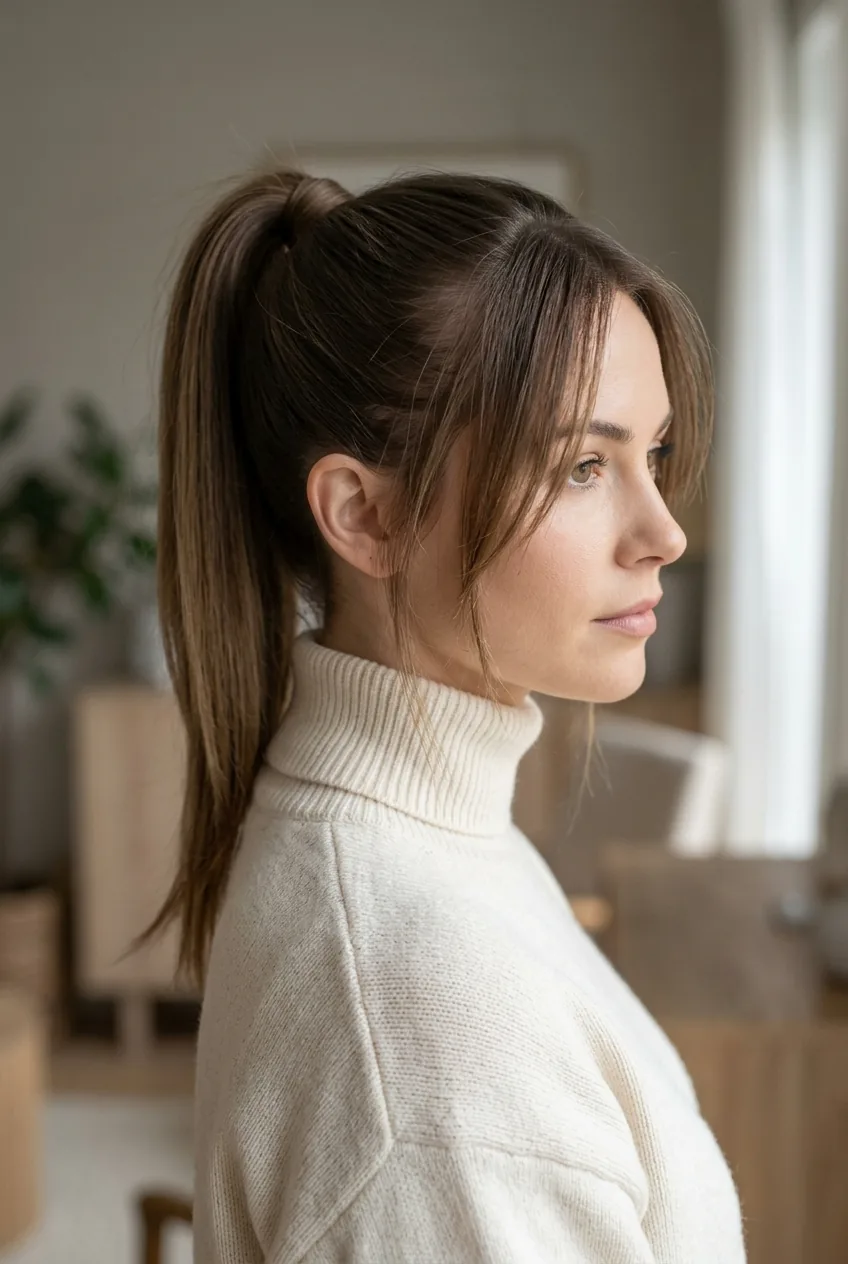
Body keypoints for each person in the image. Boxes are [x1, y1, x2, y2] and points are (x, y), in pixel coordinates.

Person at [142, 165, 747, 1261]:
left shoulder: (421, 842)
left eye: (649, 455)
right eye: (580, 465)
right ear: (364, 516)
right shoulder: (428, 1031)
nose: (663, 531)